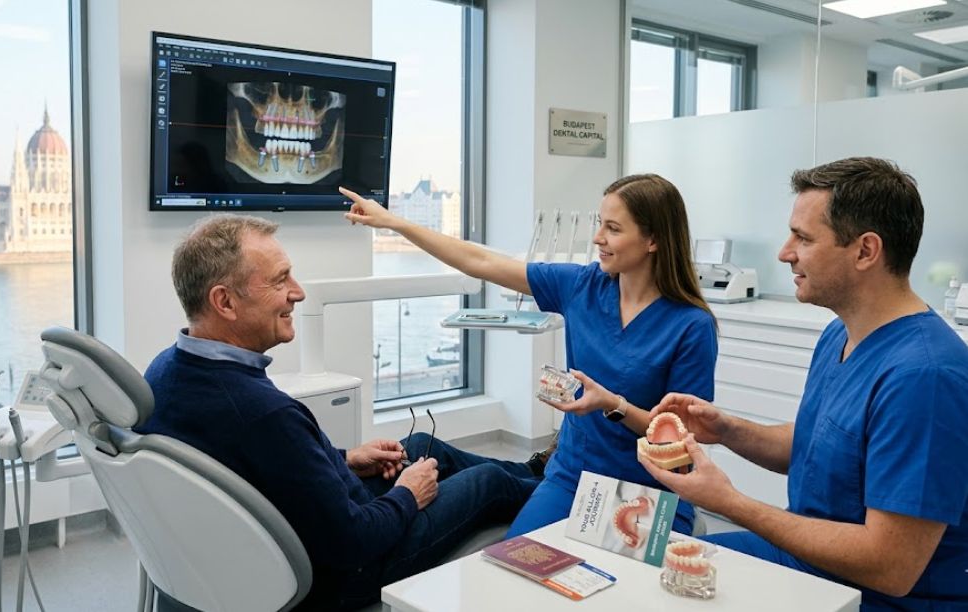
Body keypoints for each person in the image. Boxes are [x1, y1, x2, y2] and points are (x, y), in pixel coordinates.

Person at [137, 214, 541, 610]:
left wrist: (346, 459)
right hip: (342, 573)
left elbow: (264, 465)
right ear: (225, 301)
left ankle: (535, 470)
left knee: (421, 444)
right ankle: (561, 489)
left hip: (288, 532)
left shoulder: (163, 373)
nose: (298, 292)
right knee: (487, 482)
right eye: (280, 280)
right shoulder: (264, 414)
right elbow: (354, 542)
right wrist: (408, 493)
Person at [641, 157, 968, 610]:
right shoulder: (840, 334)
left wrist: (732, 503)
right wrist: (727, 429)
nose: (784, 252)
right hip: (807, 563)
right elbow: (819, 446)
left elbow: (890, 567)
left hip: (871, 598)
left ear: (865, 251)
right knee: (650, 569)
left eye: (804, 238)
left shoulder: (925, 377)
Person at [341, 174, 718, 538]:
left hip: (648, 489)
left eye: (613, 229)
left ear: (653, 239)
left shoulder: (690, 326)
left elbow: (681, 438)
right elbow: (480, 261)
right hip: (573, 476)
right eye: (600, 224)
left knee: (614, 579)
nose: (598, 238)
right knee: (517, 567)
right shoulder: (582, 286)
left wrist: (614, 405)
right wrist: (394, 223)